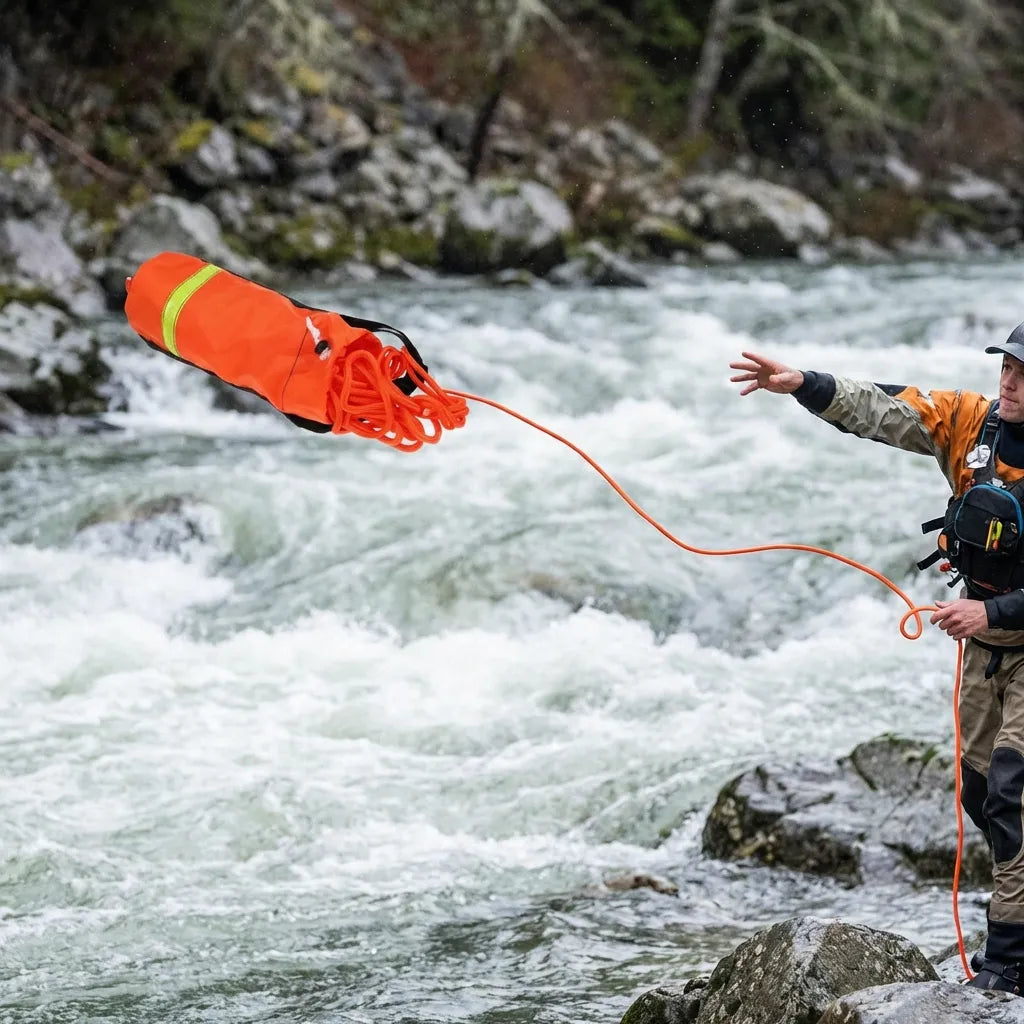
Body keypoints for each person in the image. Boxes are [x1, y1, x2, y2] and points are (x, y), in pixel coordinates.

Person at [730, 325, 1024, 995]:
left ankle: (1007, 963)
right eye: (1006, 366)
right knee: (980, 795)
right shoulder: (969, 424)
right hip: (984, 651)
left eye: (1022, 374)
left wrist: (992, 611)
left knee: (1012, 793)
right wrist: (803, 384)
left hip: (1011, 636)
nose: (1007, 381)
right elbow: (887, 409)